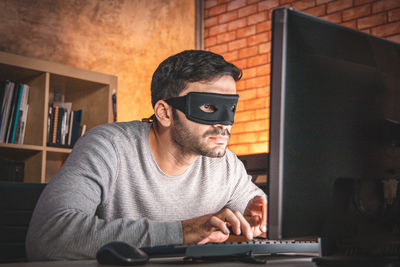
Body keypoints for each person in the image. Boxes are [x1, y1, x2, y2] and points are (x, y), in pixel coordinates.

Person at [26, 50, 267, 260]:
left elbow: (262, 217)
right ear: (164, 113)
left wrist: (260, 222)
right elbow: (47, 236)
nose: (224, 124)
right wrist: (181, 232)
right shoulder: (108, 147)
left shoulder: (226, 165)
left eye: (231, 108)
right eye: (208, 107)